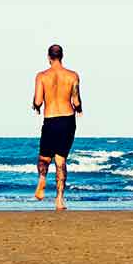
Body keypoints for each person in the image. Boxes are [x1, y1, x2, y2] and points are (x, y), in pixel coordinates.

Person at [32, 44, 81, 211]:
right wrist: (79, 110)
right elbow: (76, 101)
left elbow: (38, 101)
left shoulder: (42, 76)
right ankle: (59, 199)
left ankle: (42, 178)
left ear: (48, 57)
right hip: (67, 120)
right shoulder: (73, 76)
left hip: (50, 119)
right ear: (62, 56)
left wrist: (36, 106)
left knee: (44, 158)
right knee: (61, 161)